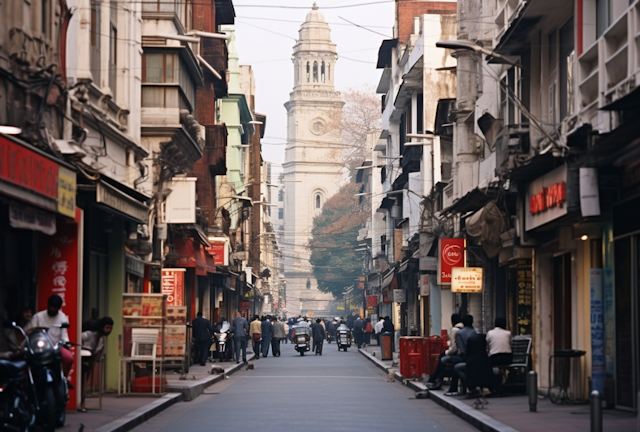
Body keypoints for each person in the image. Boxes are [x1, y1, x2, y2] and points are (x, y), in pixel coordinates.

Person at [26, 295, 73, 376]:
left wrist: (66, 344)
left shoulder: (63, 318)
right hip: (39, 349)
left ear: (59, 308)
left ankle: (64, 378)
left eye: (55, 307)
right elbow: (28, 332)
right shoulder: (38, 316)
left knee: (68, 358)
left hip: (55, 348)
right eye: (50, 307)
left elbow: (64, 335)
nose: (52, 309)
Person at [80, 317, 113, 412]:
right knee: (81, 382)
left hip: (89, 361)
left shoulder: (101, 339)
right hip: (81, 360)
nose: (109, 331)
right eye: (107, 328)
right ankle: (80, 403)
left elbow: (98, 351)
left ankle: (82, 402)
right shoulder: (87, 335)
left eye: (110, 328)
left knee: (84, 382)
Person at [427, 314, 463, 390]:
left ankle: (437, 379)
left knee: (442, 358)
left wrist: (447, 352)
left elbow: (454, 348)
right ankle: (435, 378)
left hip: (458, 355)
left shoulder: (454, 330)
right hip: (463, 354)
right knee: (442, 357)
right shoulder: (463, 328)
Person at [445, 314, 477, 396]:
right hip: (476, 358)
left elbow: (461, 349)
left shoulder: (459, 333)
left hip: (465, 358)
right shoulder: (476, 332)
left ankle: (455, 387)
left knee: (455, 365)